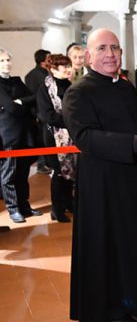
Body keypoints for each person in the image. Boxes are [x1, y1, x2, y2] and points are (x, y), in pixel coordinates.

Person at [63, 29, 137, 322]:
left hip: (133, 178)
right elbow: (85, 137)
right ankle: (110, 307)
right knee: (110, 244)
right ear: (89, 54)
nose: (110, 54)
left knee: (135, 238)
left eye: (115, 48)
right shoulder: (78, 91)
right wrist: (133, 144)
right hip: (103, 184)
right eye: (103, 48)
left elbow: (135, 126)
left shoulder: (126, 87)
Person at [0, 48, 40, 223]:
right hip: (8, 134)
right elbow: (10, 107)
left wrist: (21, 102)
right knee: (9, 173)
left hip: (25, 132)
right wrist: (20, 104)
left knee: (23, 173)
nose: (6, 63)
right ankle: (13, 208)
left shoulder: (16, 81)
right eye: (2, 61)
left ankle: (24, 205)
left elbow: (35, 97)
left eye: (8, 60)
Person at [37, 54, 76, 223]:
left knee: (70, 171)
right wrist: (71, 122)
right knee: (58, 173)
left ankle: (69, 202)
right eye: (64, 67)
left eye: (69, 66)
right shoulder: (44, 88)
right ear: (53, 69)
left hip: (71, 136)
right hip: (53, 137)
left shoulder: (69, 85)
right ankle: (57, 209)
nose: (68, 69)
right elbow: (47, 115)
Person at [24, 48, 52, 175]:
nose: (51, 61)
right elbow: (34, 95)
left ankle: (46, 162)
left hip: (41, 111)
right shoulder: (39, 75)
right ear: (42, 61)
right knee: (43, 138)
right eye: (49, 59)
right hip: (41, 111)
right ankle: (42, 164)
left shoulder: (38, 73)